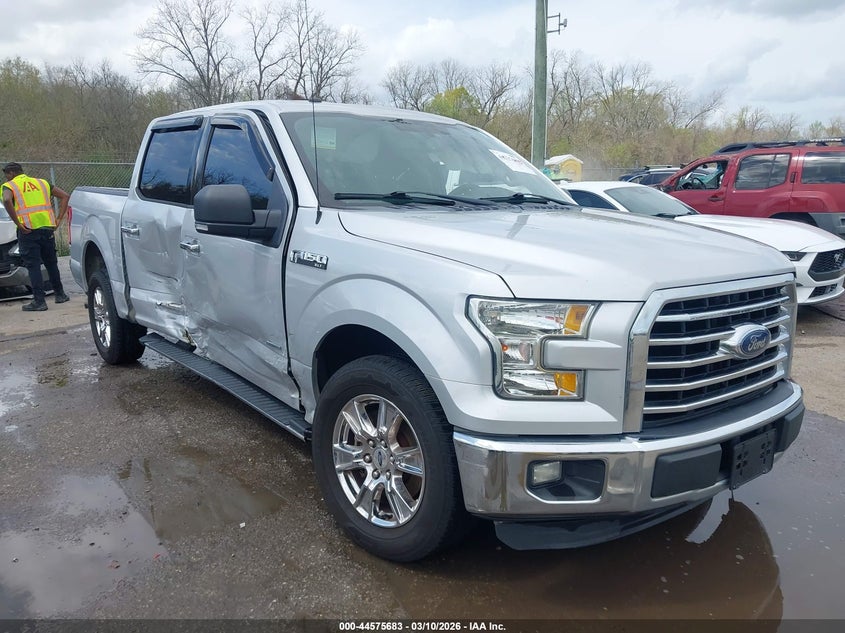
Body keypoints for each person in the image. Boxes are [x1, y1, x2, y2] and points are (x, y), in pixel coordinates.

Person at [1, 162, 70, 311]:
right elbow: (65, 196)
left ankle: (39, 301)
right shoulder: (42, 182)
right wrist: (58, 219)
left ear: (11, 173)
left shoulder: (10, 186)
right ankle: (60, 294)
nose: (6, 178)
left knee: (33, 266)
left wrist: (18, 223)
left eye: (6, 175)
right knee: (51, 264)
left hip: (28, 230)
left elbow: (6, 200)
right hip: (47, 229)